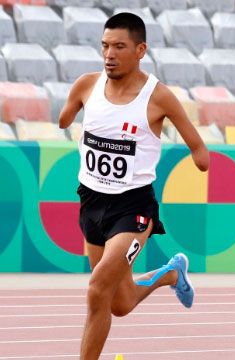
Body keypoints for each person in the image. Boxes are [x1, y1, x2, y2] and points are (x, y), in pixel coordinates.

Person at [58, 13, 209, 360]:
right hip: (91, 203)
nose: (109, 54)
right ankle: (170, 274)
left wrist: (200, 160)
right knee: (120, 303)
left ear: (140, 49)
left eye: (119, 47)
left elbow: (200, 149)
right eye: (105, 46)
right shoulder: (86, 85)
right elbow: (64, 117)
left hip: (133, 210)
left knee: (97, 290)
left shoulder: (159, 97)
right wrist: (70, 117)